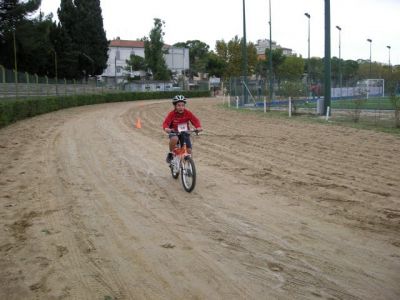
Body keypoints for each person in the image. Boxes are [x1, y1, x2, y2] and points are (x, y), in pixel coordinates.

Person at [162, 95, 203, 163]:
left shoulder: (187, 113)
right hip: (174, 132)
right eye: (179, 105)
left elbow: (195, 120)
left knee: (189, 151)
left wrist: (198, 127)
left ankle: (188, 167)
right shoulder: (172, 114)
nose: (181, 107)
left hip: (185, 132)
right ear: (175, 106)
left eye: (183, 105)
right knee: (175, 139)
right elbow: (166, 123)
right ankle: (171, 154)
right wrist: (166, 128)